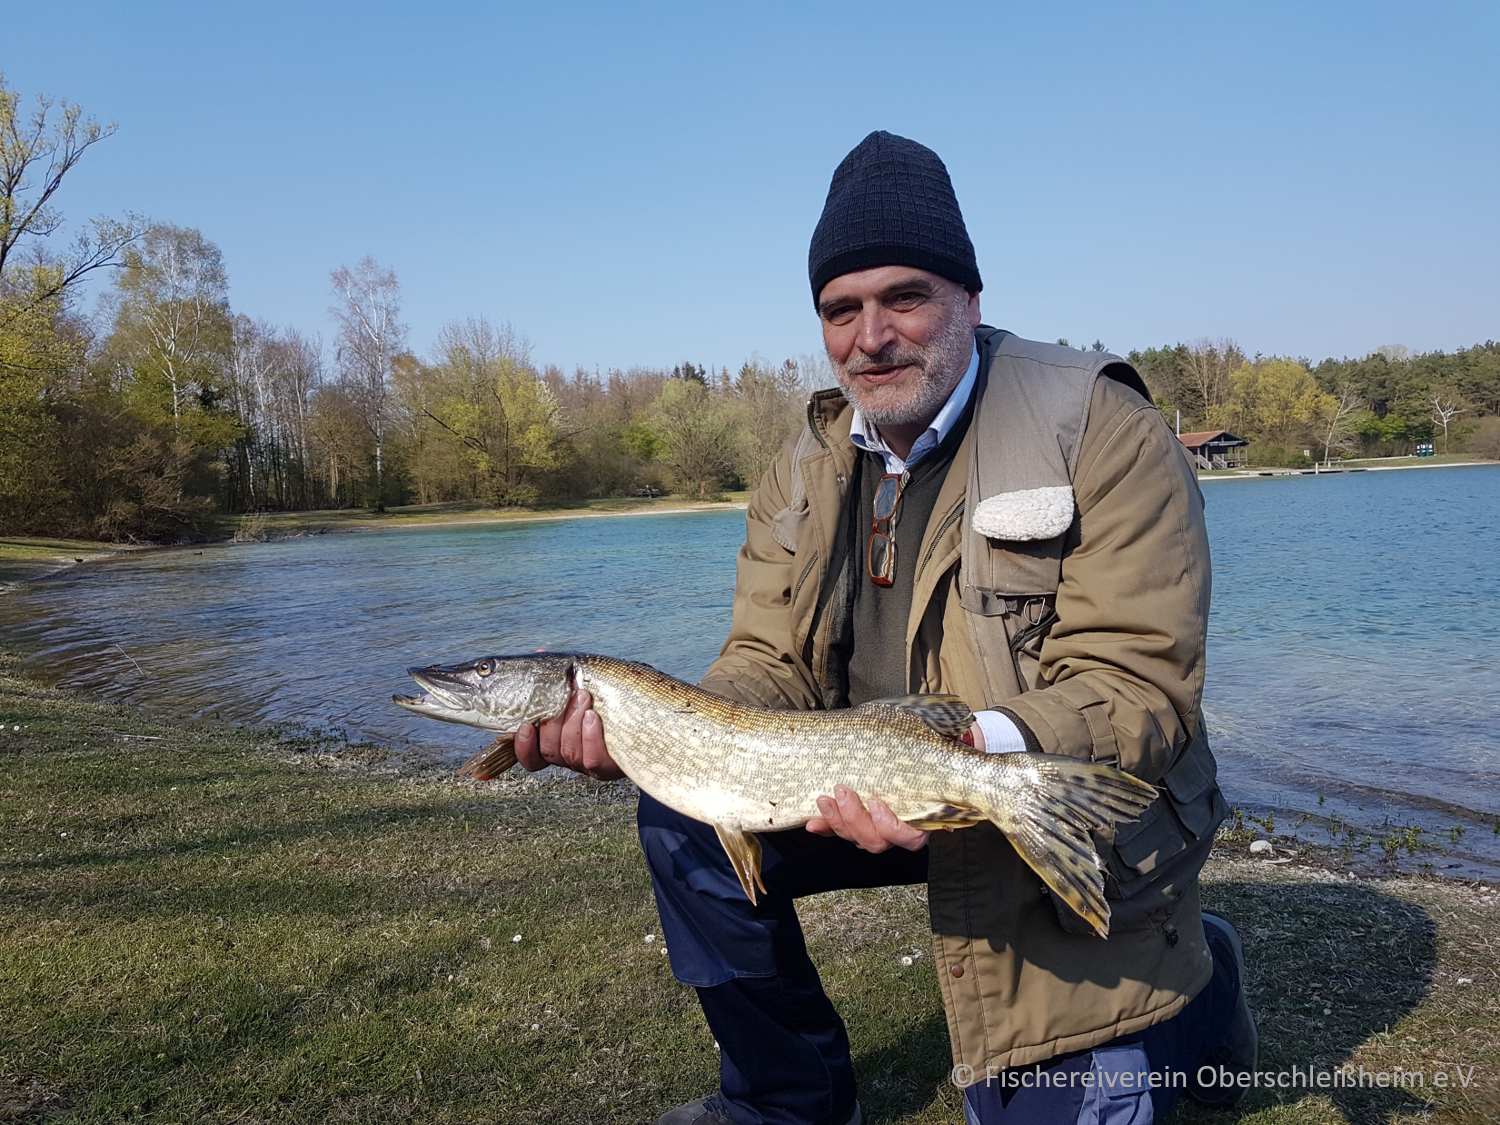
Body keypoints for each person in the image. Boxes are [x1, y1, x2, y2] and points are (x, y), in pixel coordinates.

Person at [513, 131, 1258, 1125]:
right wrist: (668, 735)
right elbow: (767, 664)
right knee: (682, 817)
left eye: (903, 297)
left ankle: (1204, 990)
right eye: (840, 310)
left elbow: (1138, 688)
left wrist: (961, 757)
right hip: (870, 787)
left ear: (969, 300)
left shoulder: (1101, 426)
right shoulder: (804, 468)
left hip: (1047, 792)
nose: (871, 337)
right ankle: (788, 1102)